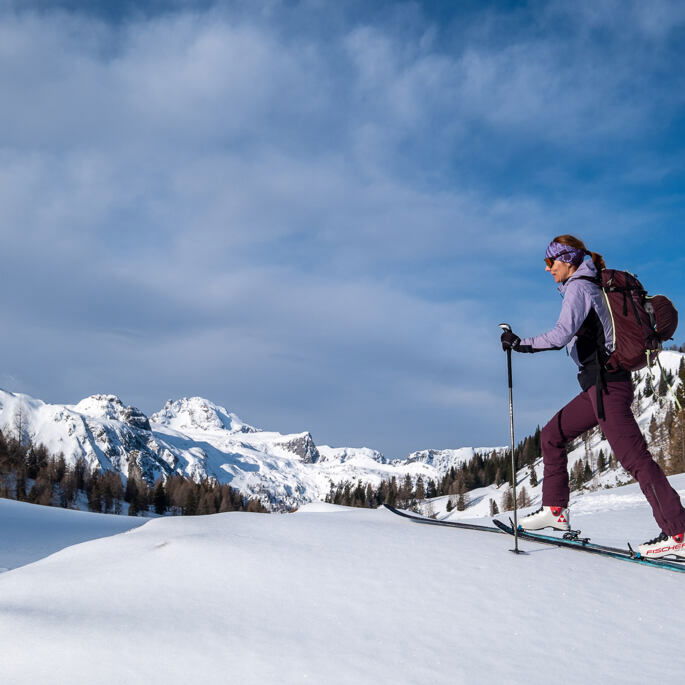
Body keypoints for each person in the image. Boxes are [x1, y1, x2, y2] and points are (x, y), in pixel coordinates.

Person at [500, 235, 685, 560]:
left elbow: (561, 334)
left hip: (608, 386)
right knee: (552, 435)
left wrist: (520, 343)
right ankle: (555, 511)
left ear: (567, 259)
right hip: (598, 387)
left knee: (636, 460)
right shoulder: (588, 284)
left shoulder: (581, 286)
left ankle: (679, 532)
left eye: (550, 262)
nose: (547, 269)